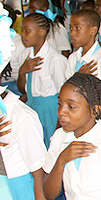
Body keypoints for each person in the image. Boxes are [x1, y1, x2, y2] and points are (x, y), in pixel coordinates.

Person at [66, 9, 101, 134]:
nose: (72, 33)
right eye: (70, 28)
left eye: (77, 28)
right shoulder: (72, 59)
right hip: (82, 122)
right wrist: (78, 77)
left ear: (92, 30)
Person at [15, 12, 67, 147]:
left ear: (42, 32)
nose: (23, 35)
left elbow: (64, 94)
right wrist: (22, 72)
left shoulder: (55, 59)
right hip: (33, 108)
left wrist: (59, 125)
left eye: (27, 31)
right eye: (22, 31)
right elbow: (23, 90)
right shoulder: (26, 55)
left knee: (52, 147)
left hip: (51, 112)